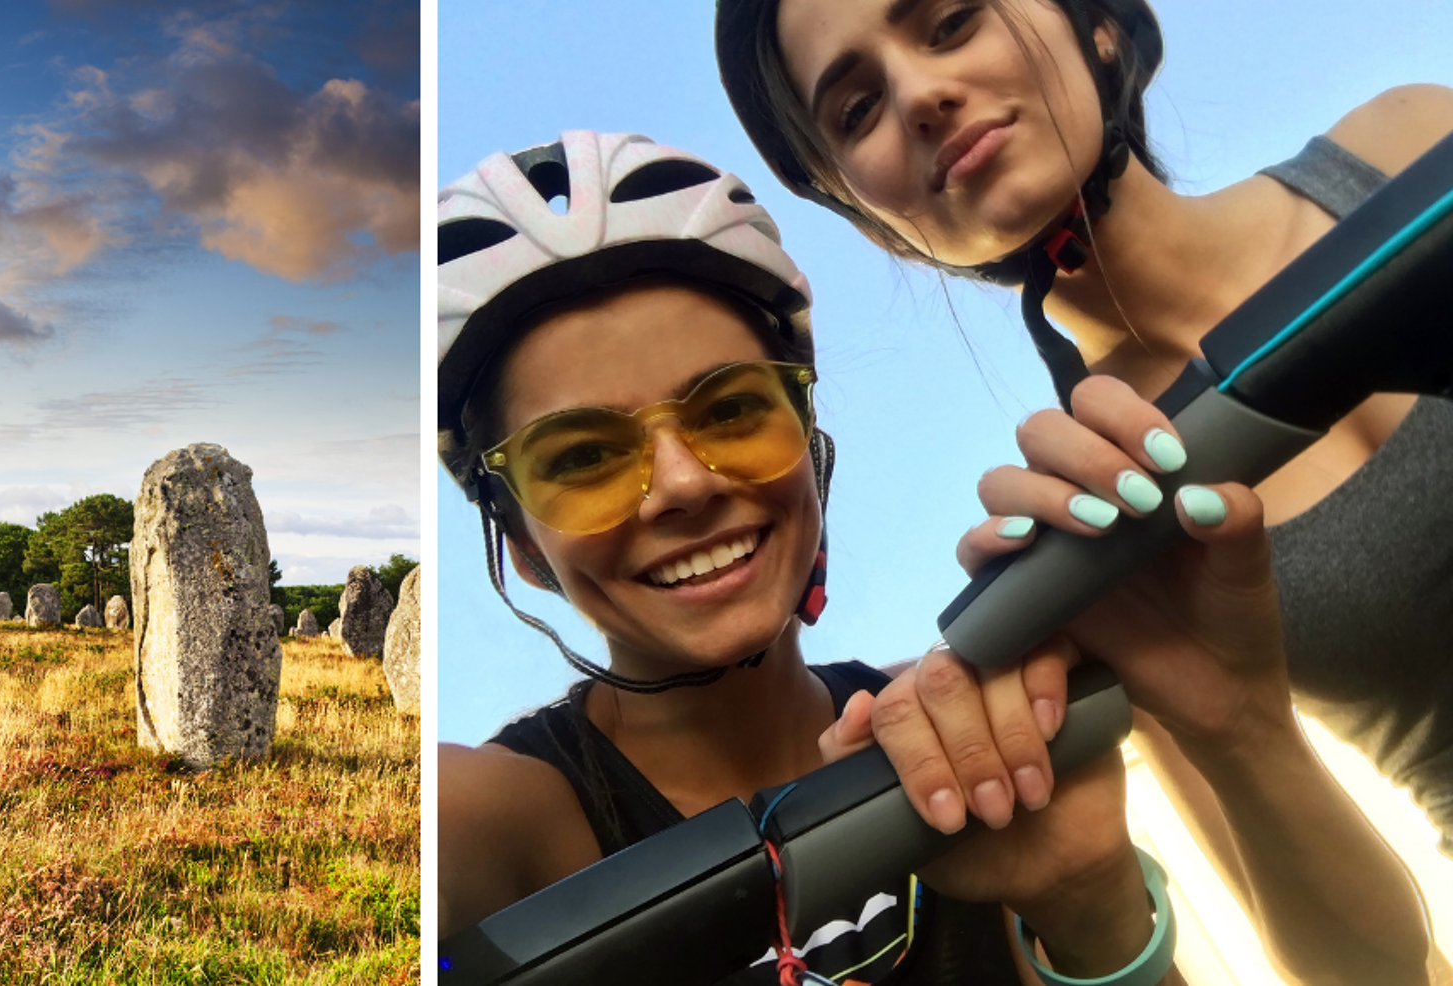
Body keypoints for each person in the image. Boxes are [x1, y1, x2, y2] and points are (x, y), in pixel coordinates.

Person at [436, 130, 1401, 985]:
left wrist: (1094, 904)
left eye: (732, 407)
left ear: (811, 447)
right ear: (521, 540)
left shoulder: (975, 731)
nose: (684, 484)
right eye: (585, 458)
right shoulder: (483, 819)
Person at [714, 0, 1449, 979]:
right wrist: (1239, 727)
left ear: (1092, 23)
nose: (920, 94)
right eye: (855, 110)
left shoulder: (1411, 143)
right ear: (879, 220)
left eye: (948, 20)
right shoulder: (1099, 544)